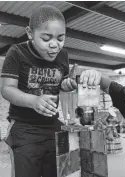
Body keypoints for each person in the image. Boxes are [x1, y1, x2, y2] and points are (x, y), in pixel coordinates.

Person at [0, 5, 77, 177]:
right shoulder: (17, 53)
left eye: (60, 38)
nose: (54, 45)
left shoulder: (63, 55)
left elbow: (62, 82)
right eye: (46, 38)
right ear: (30, 33)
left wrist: (66, 85)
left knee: (58, 172)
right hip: (24, 128)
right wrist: (33, 101)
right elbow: (7, 89)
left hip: (53, 127)